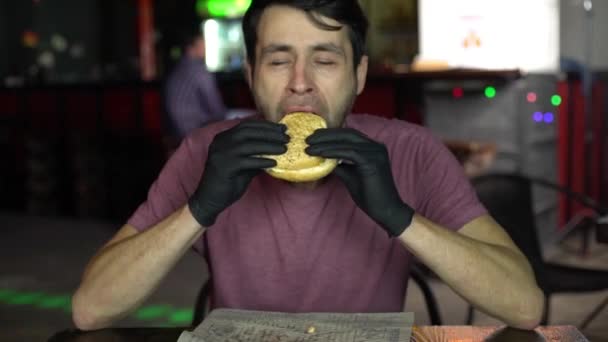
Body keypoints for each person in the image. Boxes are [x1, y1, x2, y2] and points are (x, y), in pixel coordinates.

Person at [72, 0, 544, 331]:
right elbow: (90, 310)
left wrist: (400, 217)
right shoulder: (204, 152)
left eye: (325, 60)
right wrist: (199, 208)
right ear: (251, 76)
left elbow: (524, 306)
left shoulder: (411, 151)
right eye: (279, 61)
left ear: (358, 75)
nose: (300, 84)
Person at [163, 32, 227, 143]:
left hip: (175, 129)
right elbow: (216, 108)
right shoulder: (199, 71)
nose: (205, 48)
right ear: (191, 47)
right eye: (202, 45)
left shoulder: (176, 68)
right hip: (194, 129)